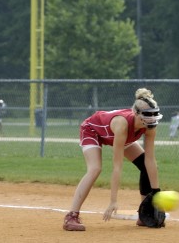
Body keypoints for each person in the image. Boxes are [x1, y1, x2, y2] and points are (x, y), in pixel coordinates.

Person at [63, 88, 163, 231]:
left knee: (144, 165)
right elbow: (117, 166)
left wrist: (156, 192)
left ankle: (144, 214)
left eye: (154, 114)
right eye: (147, 114)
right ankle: (71, 216)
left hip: (116, 135)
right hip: (93, 130)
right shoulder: (122, 124)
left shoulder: (149, 127)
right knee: (95, 168)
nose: (151, 118)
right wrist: (113, 201)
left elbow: (150, 160)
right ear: (136, 113)